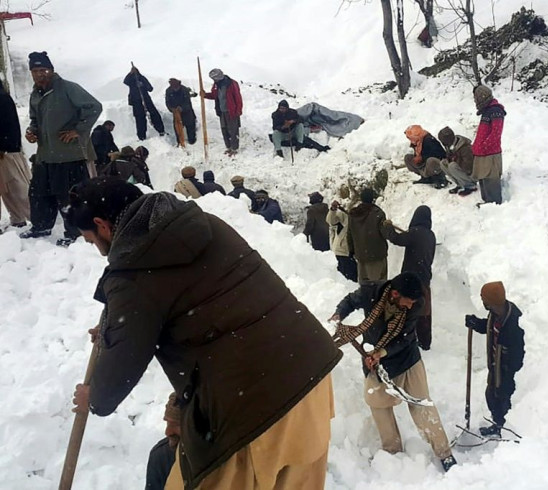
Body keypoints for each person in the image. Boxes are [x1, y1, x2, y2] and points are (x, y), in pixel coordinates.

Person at [69, 177, 342, 489]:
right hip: (310, 372)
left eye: (91, 241)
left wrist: (95, 397)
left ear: (102, 225)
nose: (98, 251)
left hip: (252, 406)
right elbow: (194, 295)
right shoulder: (202, 224)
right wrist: (119, 324)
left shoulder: (132, 273)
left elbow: (121, 365)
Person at [330, 272, 457, 472]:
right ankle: (392, 451)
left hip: (407, 359)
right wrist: (339, 313)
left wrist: (382, 352)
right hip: (374, 359)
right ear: (395, 294)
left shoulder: (416, 304)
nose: (410, 305)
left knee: (421, 405)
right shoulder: (370, 291)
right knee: (378, 405)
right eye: (407, 301)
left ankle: (444, 454)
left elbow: (405, 337)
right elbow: (350, 301)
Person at [21, 51, 102, 245]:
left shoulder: (67, 88)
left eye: (43, 69)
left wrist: (78, 130)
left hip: (68, 156)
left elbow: (94, 106)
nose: (40, 74)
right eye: (36, 71)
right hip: (45, 156)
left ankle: (75, 234)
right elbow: (34, 119)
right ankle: (41, 227)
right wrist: (32, 131)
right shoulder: (35, 93)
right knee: (39, 193)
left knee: (70, 198)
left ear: (51, 70)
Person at [464, 281, 524, 436]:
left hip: (507, 370)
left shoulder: (514, 321)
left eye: (484, 300)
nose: (483, 303)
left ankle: (508, 430)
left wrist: (509, 372)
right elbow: (489, 327)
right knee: (491, 396)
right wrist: (476, 323)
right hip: (495, 366)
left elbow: (518, 351)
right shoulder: (496, 313)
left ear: (490, 302)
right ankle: (498, 425)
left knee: (505, 399)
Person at [382, 206, 435, 350]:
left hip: (411, 280)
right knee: (424, 312)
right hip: (424, 278)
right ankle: (425, 341)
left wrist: (387, 228)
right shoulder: (431, 235)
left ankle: (406, 337)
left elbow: (396, 239)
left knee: (407, 309)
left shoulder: (414, 233)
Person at [0, 83, 31, 229]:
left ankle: (35, 216)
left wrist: (3, 146)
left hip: (8, 151)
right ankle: (17, 218)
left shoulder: (3, 99)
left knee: (17, 185)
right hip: (6, 149)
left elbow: (7, 125)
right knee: (6, 189)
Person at [472, 85, 506, 204]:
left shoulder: (496, 111)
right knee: (484, 177)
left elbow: (496, 133)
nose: (475, 101)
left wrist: (484, 146)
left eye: (476, 98)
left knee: (491, 178)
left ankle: (494, 203)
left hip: (490, 152)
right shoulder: (487, 111)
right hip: (483, 152)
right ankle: (487, 201)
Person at [347, 188, 389, 283]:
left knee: (365, 286)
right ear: (373, 199)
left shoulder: (353, 214)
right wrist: (388, 226)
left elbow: (349, 234)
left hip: (361, 255)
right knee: (379, 285)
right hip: (377, 255)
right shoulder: (378, 213)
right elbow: (385, 233)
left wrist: (351, 251)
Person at [201, 68, 242, 155]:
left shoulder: (231, 83)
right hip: (221, 111)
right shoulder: (216, 85)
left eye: (215, 78)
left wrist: (238, 110)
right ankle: (229, 147)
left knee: (233, 130)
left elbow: (238, 98)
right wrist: (205, 95)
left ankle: (234, 148)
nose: (214, 80)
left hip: (231, 111)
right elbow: (214, 95)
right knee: (224, 130)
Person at [145, 393, 180, 490]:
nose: (168, 432)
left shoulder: (221, 453)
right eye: (168, 423)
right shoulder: (161, 457)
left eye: (177, 425)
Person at [123, 66, 165, 140]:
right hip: (136, 102)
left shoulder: (142, 78)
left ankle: (161, 130)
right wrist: (130, 74)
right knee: (139, 119)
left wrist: (143, 85)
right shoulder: (131, 80)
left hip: (146, 99)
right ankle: (141, 136)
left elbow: (150, 88)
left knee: (154, 114)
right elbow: (125, 81)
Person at [437, 126, 477, 196]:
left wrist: (456, 160)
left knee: (452, 166)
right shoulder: (450, 145)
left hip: (473, 173)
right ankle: (460, 183)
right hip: (460, 168)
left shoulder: (464, 147)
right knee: (443, 163)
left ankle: (470, 186)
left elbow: (469, 167)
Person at [326, 200, 358, 282]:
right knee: (344, 279)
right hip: (341, 251)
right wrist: (333, 210)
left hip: (353, 253)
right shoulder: (344, 216)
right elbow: (331, 221)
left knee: (352, 279)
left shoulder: (360, 220)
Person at [165, 78, 197, 145]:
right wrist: (171, 109)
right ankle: (180, 142)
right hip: (176, 112)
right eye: (173, 87)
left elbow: (188, 103)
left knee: (190, 125)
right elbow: (167, 102)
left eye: (176, 87)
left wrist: (182, 108)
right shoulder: (168, 91)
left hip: (187, 111)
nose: (175, 89)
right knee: (177, 127)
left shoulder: (184, 90)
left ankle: (192, 140)